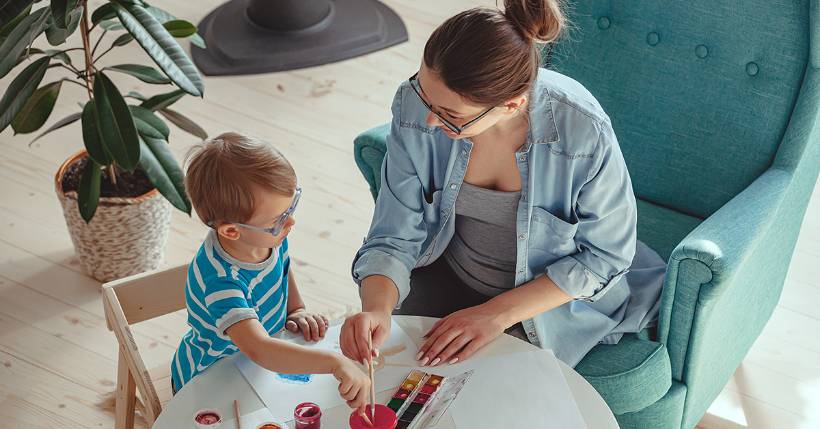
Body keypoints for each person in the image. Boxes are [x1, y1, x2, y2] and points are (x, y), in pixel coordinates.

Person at [341, 0, 666, 369]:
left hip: (546, 306)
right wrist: (377, 310)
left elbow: (605, 257)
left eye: (450, 115)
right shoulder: (414, 107)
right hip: (448, 273)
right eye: (424, 93)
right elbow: (394, 232)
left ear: (512, 105)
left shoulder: (583, 132)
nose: (429, 121)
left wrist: (494, 315)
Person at [171, 132, 370, 410]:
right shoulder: (221, 282)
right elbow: (259, 349)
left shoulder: (268, 237)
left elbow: (281, 268)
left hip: (258, 363)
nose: (291, 222)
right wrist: (334, 362)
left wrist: (296, 309)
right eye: (279, 219)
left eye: (291, 207)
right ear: (231, 231)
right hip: (211, 377)